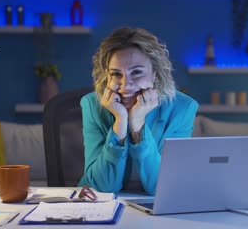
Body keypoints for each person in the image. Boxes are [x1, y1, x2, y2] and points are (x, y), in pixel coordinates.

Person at [78, 27, 198, 195]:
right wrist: (120, 122)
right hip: (101, 208)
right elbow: (102, 187)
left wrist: (138, 125)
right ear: (107, 75)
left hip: (155, 208)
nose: (126, 85)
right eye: (116, 74)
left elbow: (163, 187)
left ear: (155, 73)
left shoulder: (182, 109)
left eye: (136, 72)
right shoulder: (91, 105)